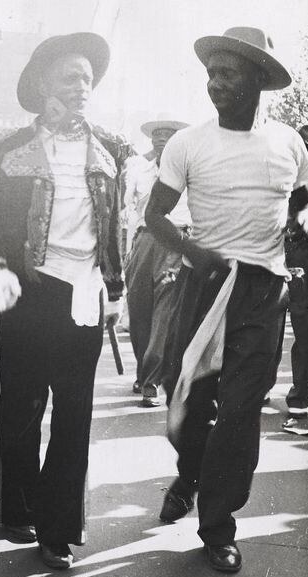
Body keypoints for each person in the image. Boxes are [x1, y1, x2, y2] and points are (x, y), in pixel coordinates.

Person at [145, 27, 308, 573]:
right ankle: (191, 473)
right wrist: (195, 252)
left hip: (263, 291)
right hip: (203, 287)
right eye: (211, 74)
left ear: (258, 81)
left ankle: (217, 525)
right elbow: (155, 217)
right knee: (188, 403)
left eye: (228, 74)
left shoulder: (287, 143)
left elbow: (305, 203)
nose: (214, 83)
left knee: (241, 413)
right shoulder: (188, 143)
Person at [0, 33, 133, 570]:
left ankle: (57, 526)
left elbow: (116, 230)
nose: (82, 88)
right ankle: (17, 504)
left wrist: (116, 290)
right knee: (21, 405)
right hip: (26, 290)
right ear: (43, 85)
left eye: (88, 78)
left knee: (75, 412)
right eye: (70, 77)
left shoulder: (113, 150)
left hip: (84, 293)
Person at [124, 115, 190, 407]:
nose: (161, 139)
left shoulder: (191, 171)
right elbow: (128, 214)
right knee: (139, 312)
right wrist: (129, 251)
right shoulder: (138, 169)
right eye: (157, 135)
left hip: (175, 243)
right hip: (144, 241)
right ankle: (143, 371)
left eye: (168, 135)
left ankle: (151, 380)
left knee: (164, 313)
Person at [283, 124, 308, 419]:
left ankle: (300, 390)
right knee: (303, 322)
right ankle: (299, 391)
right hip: (294, 254)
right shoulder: (289, 176)